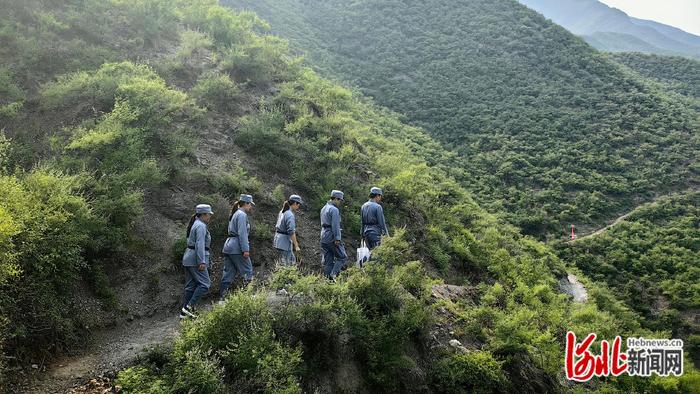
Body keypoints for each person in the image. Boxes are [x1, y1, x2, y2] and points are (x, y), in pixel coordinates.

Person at [180, 204, 213, 319]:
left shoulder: (196, 223)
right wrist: (201, 261)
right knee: (205, 284)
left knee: (190, 286)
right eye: (209, 214)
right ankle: (188, 307)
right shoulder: (201, 226)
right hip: (195, 260)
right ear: (203, 214)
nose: (210, 216)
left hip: (189, 258)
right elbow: (200, 244)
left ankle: (184, 314)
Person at [220, 194, 255, 299]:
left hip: (228, 246)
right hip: (237, 247)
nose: (251, 207)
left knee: (228, 274)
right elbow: (242, 233)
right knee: (247, 271)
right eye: (250, 204)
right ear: (246, 203)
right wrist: (245, 249)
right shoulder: (241, 215)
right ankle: (246, 296)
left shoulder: (235, 213)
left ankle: (223, 299)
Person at [320, 190, 347, 280]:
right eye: (340, 200)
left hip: (323, 235)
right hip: (331, 235)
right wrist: (337, 238)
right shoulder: (334, 210)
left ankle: (327, 281)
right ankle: (333, 275)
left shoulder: (324, 208)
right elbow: (335, 225)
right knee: (342, 257)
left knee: (328, 261)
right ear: (335, 198)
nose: (340, 202)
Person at [273, 194, 303, 267]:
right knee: (288, 264)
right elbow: (291, 231)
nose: (299, 206)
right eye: (298, 204)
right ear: (295, 203)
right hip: (284, 242)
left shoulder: (282, 211)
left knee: (289, 260)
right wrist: (296, 245)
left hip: (278, 239)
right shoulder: (289, 215)